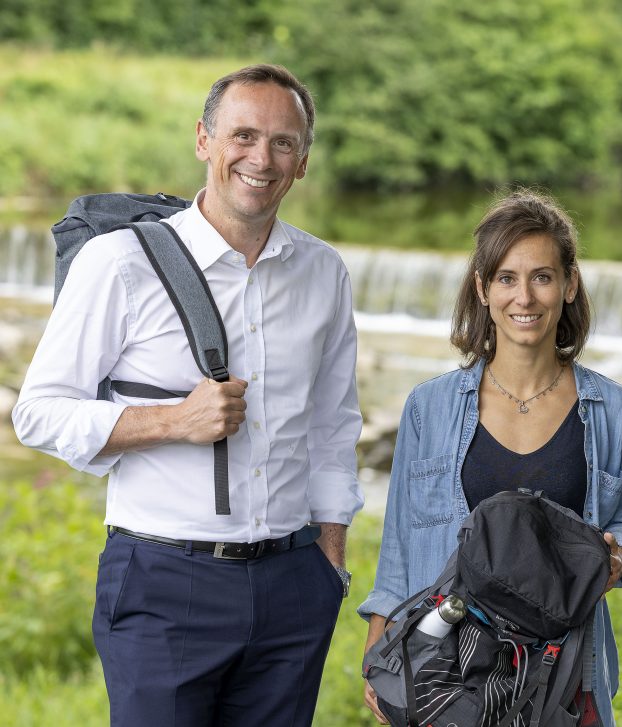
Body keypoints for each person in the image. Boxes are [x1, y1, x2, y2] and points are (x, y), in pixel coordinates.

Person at [13, 64, 362, 726]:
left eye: (283, 142)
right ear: (204, 140)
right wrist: (174, 419)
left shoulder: (323, 272)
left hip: (294, 583)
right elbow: (37, 412)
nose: (261, 158)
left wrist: (329, 564)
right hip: (164, 581)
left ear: (304, 161)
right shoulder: (119, 263)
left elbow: (332, 424)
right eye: (243, 135)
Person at [358, 190, 622, 727]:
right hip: (447, 670)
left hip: (563, 672)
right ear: (482, 288)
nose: (525, 296)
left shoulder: (613, 410)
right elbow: (400, 544)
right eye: (506, 278)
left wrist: (621, 557)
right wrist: (381, 653)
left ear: (569, 286)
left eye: (543, 276)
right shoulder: (429, 407)